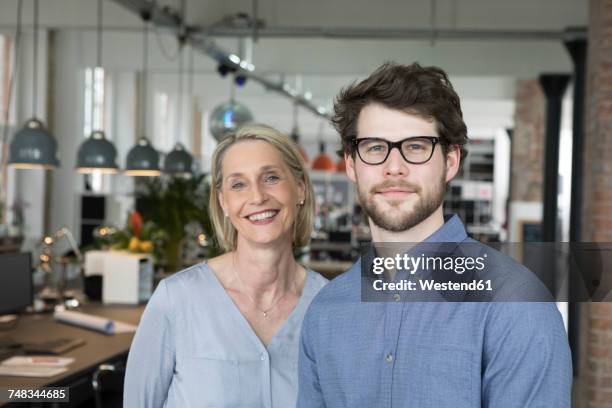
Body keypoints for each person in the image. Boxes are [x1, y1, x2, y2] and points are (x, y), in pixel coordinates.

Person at [297, 63, 572, 407]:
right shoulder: (325, 311)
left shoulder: (516, 306)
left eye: (415, 146)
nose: (393, 166)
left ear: (451, 161)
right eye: (374, 147)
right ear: (352, 164)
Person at [124, 124, 327, 407]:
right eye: (238, 184)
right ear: (224, 202)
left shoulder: (328, 306)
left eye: (270, 178)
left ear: (300, 189)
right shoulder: (176, 301)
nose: (257, 197)